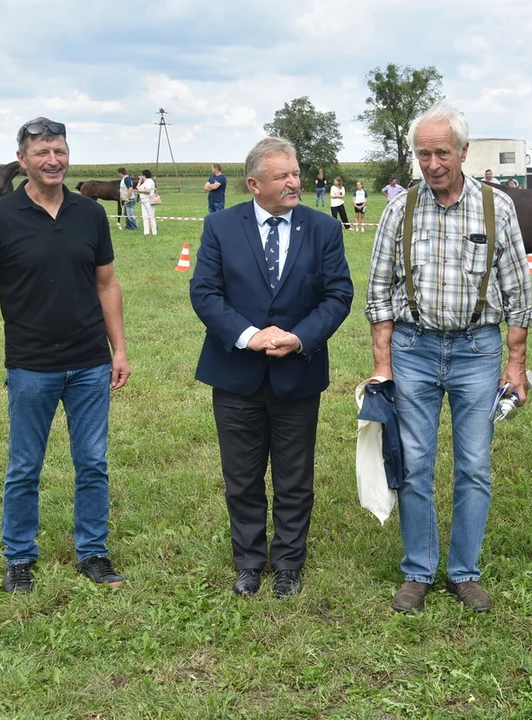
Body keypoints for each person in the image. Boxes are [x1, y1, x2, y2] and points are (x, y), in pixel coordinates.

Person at [365, 102, 532, 614]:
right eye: (423, 154)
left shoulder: (497, 207)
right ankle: (418, 570)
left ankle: (464, 571)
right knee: (415, 465)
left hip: (477, 351)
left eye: (442, 152)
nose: (432, 163)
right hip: (413, 349)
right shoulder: (400, 208)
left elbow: (518, 291)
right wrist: (383, 364)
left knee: (474, 466)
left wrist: (516, 363)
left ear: (463, 151)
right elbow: (378, 289)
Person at [0, 117, 131, 593]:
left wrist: (118, 349)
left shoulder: (90, 213)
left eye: (59, 150)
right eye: (42, 153)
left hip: (90, 364)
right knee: (24, 466)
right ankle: (19, 557)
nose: (53, 160)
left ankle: (93, 553)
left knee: (93, 462)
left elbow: (107, 283)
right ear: (23, 161)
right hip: (31, 366)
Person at [190, 137, 353, 598]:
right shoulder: (221, 226)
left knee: (294, 476)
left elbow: (338, 295)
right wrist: (249, 336)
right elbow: (205, 292)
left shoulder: (323, 228)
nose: (294, 182)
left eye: (296, 173)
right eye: (282, 176)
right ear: (254, 184)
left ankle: (287, 564)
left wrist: (300, 337)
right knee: (241, 476)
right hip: (235, 374)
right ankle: (249, 562)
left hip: (297, 373)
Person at [137, 170, 157, 236]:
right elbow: (138, 187)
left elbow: (148, 190)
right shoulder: (145, 182)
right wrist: (140, 181)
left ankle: (154, 232)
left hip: (149, 200)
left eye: (142, 175)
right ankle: (146, 232)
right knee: (145, 217)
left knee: (151, 216)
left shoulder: (149, 181)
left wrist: (140, 191)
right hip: (143, 201)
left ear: (144, 175)